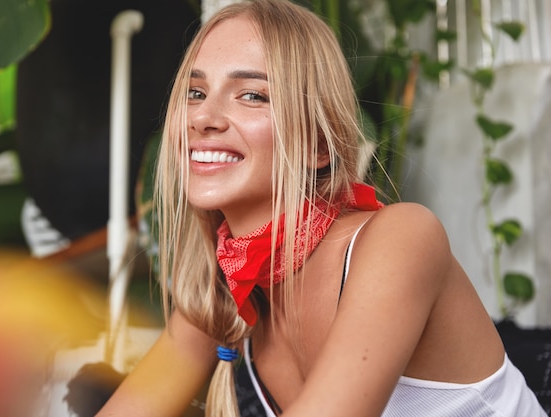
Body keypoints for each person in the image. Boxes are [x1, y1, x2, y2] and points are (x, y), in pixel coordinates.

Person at [96, 0, 547, 416]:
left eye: (252, 95)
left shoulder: (400, 238)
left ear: (316, 145)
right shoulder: (221, 290)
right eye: (195, 93)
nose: (202, 117)